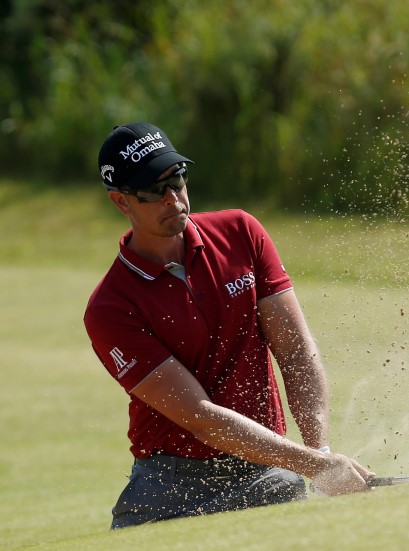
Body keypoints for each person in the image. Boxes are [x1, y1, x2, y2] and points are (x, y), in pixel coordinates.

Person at [84, 122, 372, 529]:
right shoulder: (111, 306)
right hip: (172, 486)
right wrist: (314, 465)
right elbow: (200, 415)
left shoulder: (241, 232)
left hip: (269, 467)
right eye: (152, 190)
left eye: (177, 179)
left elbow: (295, 351)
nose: (173, 198)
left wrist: (320, 453)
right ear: (121, 202)